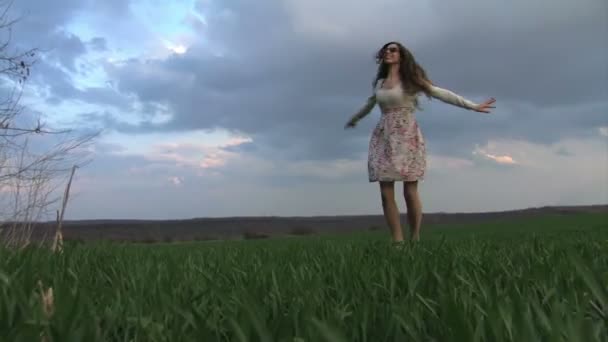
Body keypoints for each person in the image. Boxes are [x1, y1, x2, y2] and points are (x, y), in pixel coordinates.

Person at [344, 41, 496, 243]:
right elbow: (370, 104)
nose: (388, 52)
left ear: (402, 55)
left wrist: (472, 106)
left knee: (410, 190)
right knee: (385, 190)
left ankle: (414, 237)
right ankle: (397, 241)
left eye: (393, 50)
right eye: (385, 50)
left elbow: (440, 93)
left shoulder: (411, 80)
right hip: (383, 136)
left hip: (407, 134)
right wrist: (355, 119)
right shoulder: (380, 83)